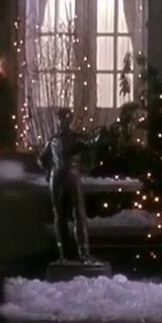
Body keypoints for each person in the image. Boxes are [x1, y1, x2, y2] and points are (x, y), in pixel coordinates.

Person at [37, 108, 106, 264]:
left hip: (72, 175)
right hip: (57, 176)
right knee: (59, 215)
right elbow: (41, 158)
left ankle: (84, 252)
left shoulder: (77, 138)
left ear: (69, 120)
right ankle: (63, 254)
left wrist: (98, 137)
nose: (62, 122)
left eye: (65, 118)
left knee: (79, 213)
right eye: (60, 119)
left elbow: (91, 145)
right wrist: (49, 171)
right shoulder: (53, 140)